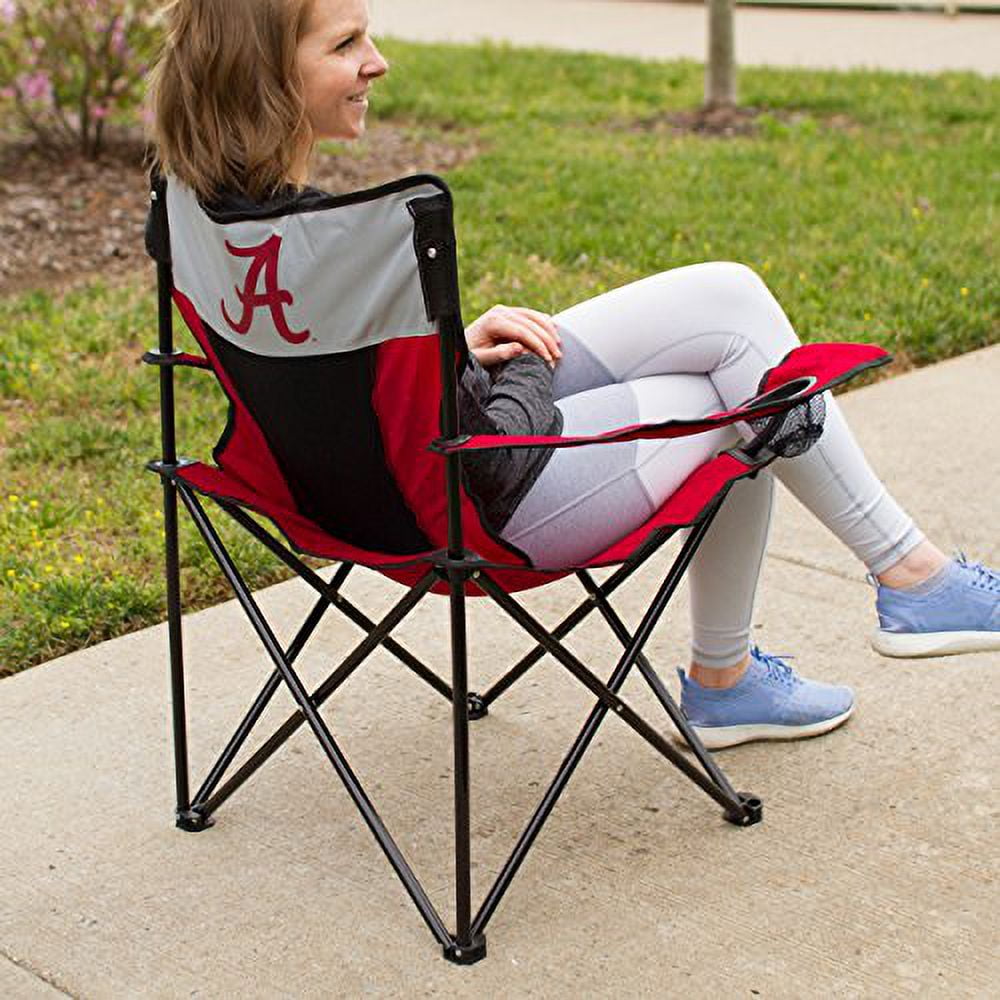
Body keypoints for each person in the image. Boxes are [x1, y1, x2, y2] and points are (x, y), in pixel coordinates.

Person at [145, 0, 999, 750]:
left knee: (730, 299)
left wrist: (448, 348)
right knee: (740, 395)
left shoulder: (207, 220)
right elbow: (496, 458)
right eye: (345, 44)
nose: (378, 62)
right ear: (263, 74)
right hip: (481, 511)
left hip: (352, 497)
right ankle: (841, 617)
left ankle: (868, 603)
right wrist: (518, 370)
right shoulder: (340, 247)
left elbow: (329, 384)